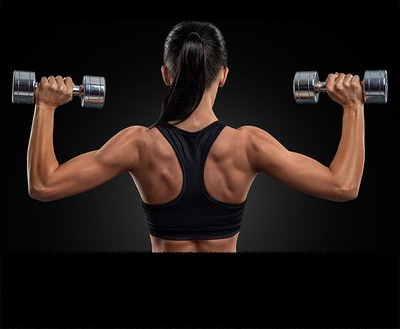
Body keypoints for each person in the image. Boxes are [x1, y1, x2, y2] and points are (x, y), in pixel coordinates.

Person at [27, 21, 365, 253]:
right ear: (223, 76)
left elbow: (43, 185)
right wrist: (353, 106)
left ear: (165, 74)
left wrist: (45, 105)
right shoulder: (248, 145)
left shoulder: (139, 145)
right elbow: (343, 186)